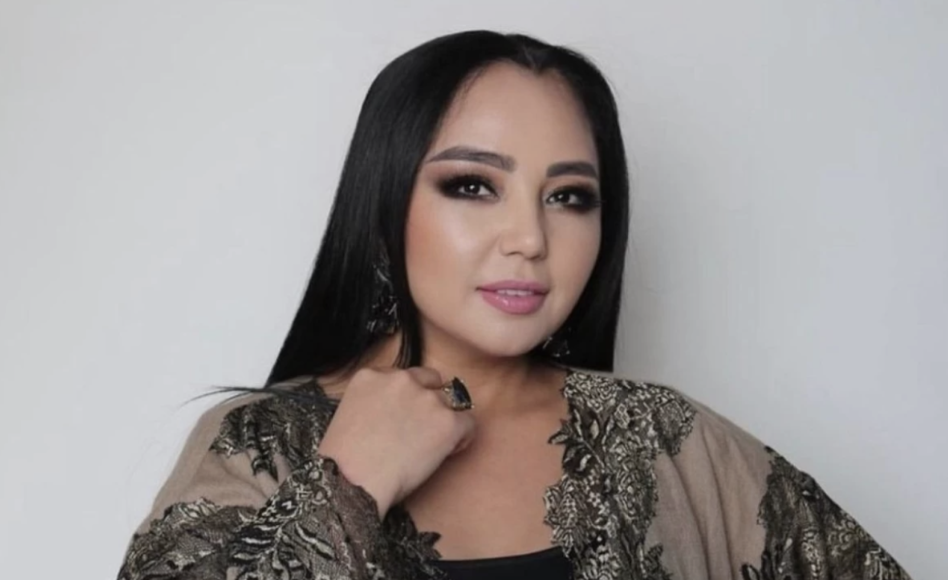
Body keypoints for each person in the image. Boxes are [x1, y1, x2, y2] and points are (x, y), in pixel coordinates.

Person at [116, 30, 912, 580]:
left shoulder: (670, 441)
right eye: (472, 186)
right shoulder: (261, 444)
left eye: (569, 197)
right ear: (386, 205)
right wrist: (350, 479)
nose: (530, 238)